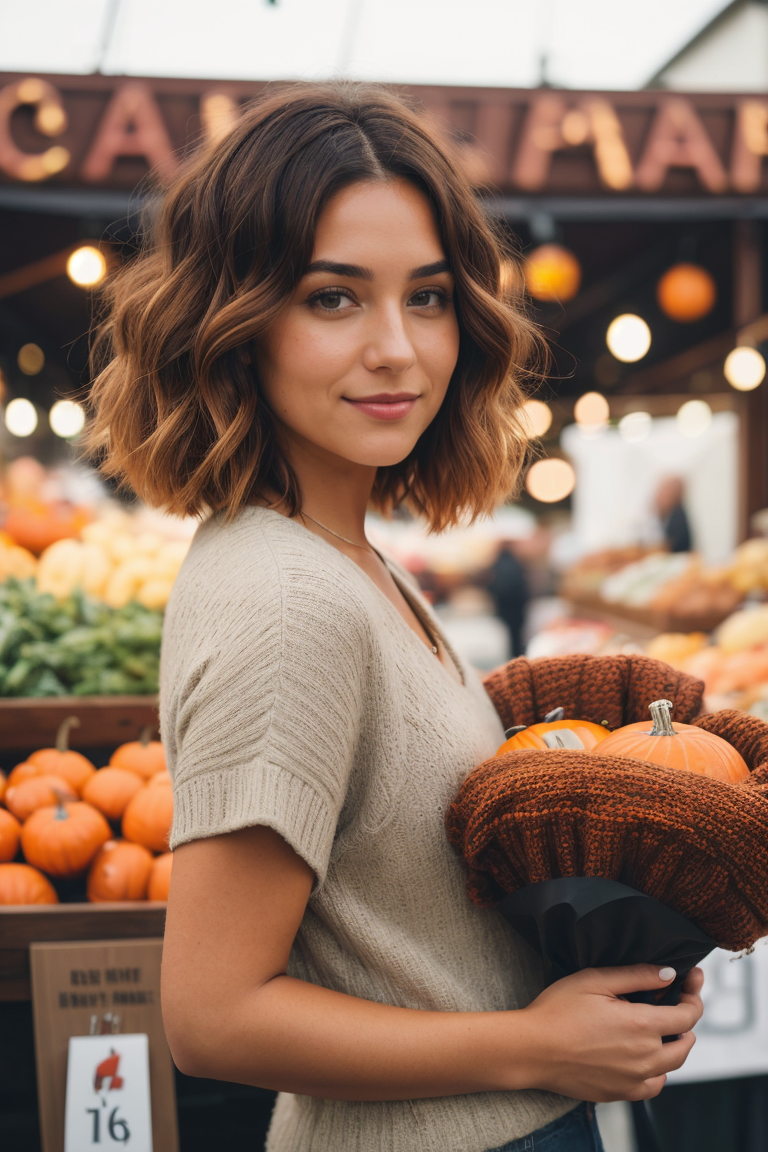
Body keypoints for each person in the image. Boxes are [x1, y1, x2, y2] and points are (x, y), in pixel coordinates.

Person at [85, 83, 703, 1152]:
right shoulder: (290, 596)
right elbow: (212, 1016)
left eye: (426, 297)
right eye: (333, 298)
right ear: (234, 320)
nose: (399, 349)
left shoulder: (345, 554)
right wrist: (530, 1045)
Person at [654, 475, 693, 553]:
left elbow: (669, 546)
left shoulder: (678, 517)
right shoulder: (673, 514)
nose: (658, 496)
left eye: (662, 491)